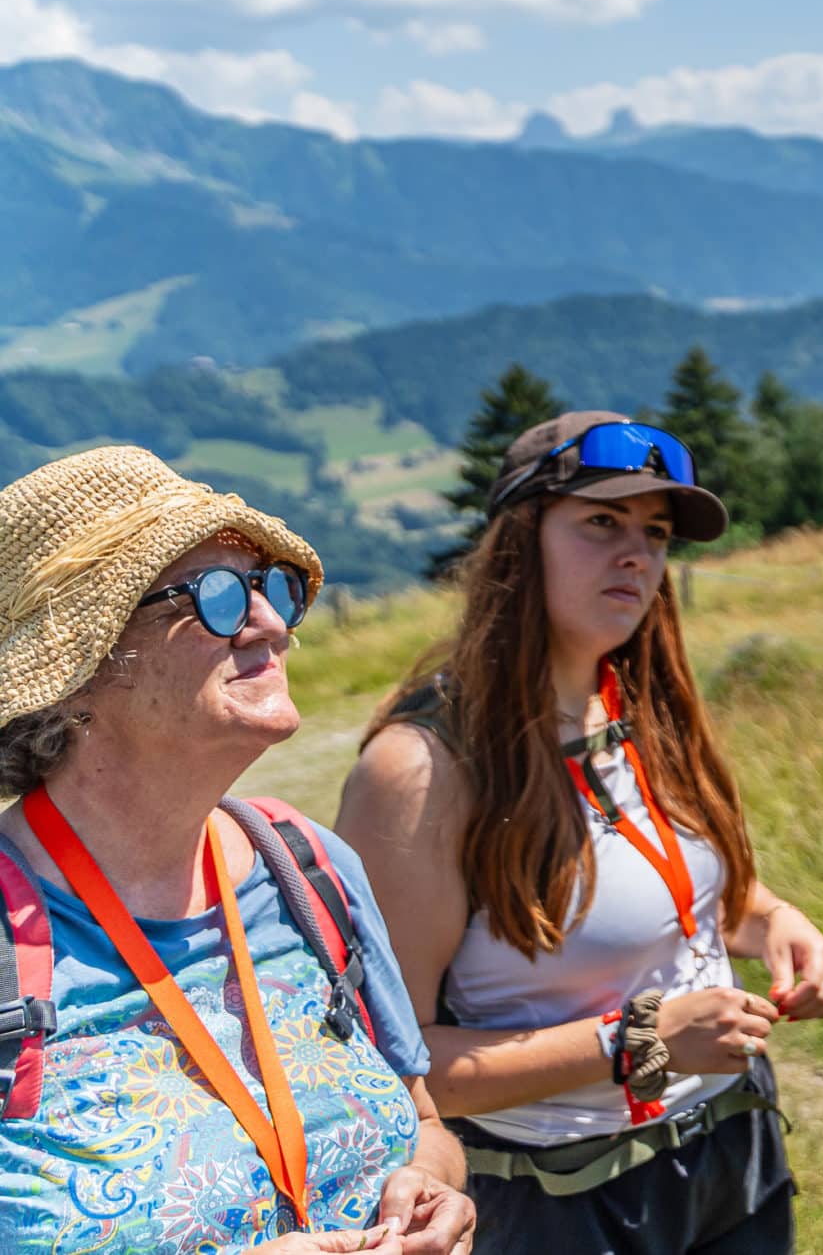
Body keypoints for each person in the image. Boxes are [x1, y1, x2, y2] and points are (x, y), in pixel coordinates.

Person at [336, 412, 823, 1255]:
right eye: (601, 523)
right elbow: (403, 1064)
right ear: (517, 542)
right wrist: (638, 1041)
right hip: (563, 1203)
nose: (638, 555)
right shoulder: (423, 769)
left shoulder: (642, 706)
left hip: (734, 1153)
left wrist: (777, 924)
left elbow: (684, 894)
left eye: (654, 533)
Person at [0, 445, 474, 1253]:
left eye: (270, 589)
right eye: (217, 596)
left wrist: (431, 1188)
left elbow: (426, 1122)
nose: (272, 624)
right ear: (80, 669)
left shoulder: (307, 865)